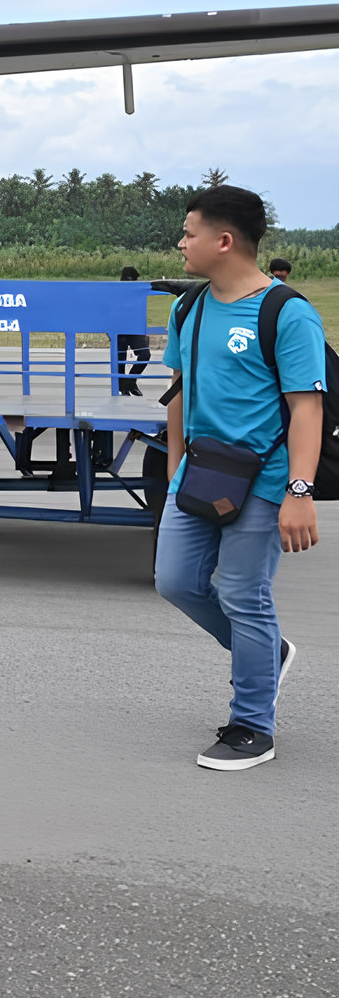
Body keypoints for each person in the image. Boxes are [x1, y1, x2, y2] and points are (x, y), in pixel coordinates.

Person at [155, 185, 322, 772]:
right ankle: (266, 654)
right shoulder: (189, 308)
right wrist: (175, 464)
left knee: (243, 596)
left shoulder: (287, 313)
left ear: (223, 241)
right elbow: (178, 393)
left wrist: (299, 492)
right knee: (175, 581)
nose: (181, 242)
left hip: (266, 480)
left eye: (189, 232)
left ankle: (254, 724)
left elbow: (306, 407)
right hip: (199, 475)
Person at [115, 265, 153, 397]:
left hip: (134, 329)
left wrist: (143, 331)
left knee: (145, 355)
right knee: (120, 358)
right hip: (119, 329)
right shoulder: (115, 292)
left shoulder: (138, 292)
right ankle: (122, 386)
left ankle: (129, 381)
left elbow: (141, 312)